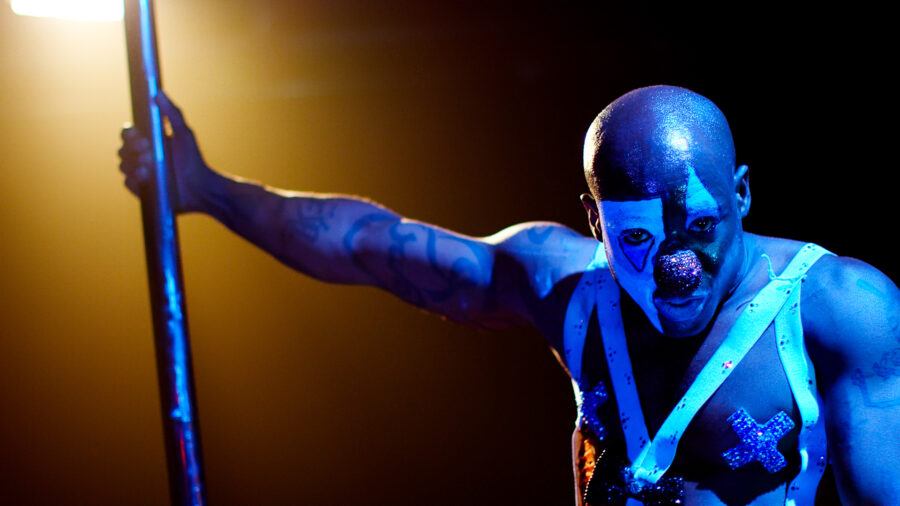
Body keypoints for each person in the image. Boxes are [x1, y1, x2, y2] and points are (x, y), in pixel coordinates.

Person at [119, 85, 900, 505]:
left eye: (699, 228)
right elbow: (372, 246)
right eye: (638, 240)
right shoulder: (568, 289)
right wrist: (206, 190)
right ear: (592, 219)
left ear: (743, 193)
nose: (677, 268)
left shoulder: (837, 310)